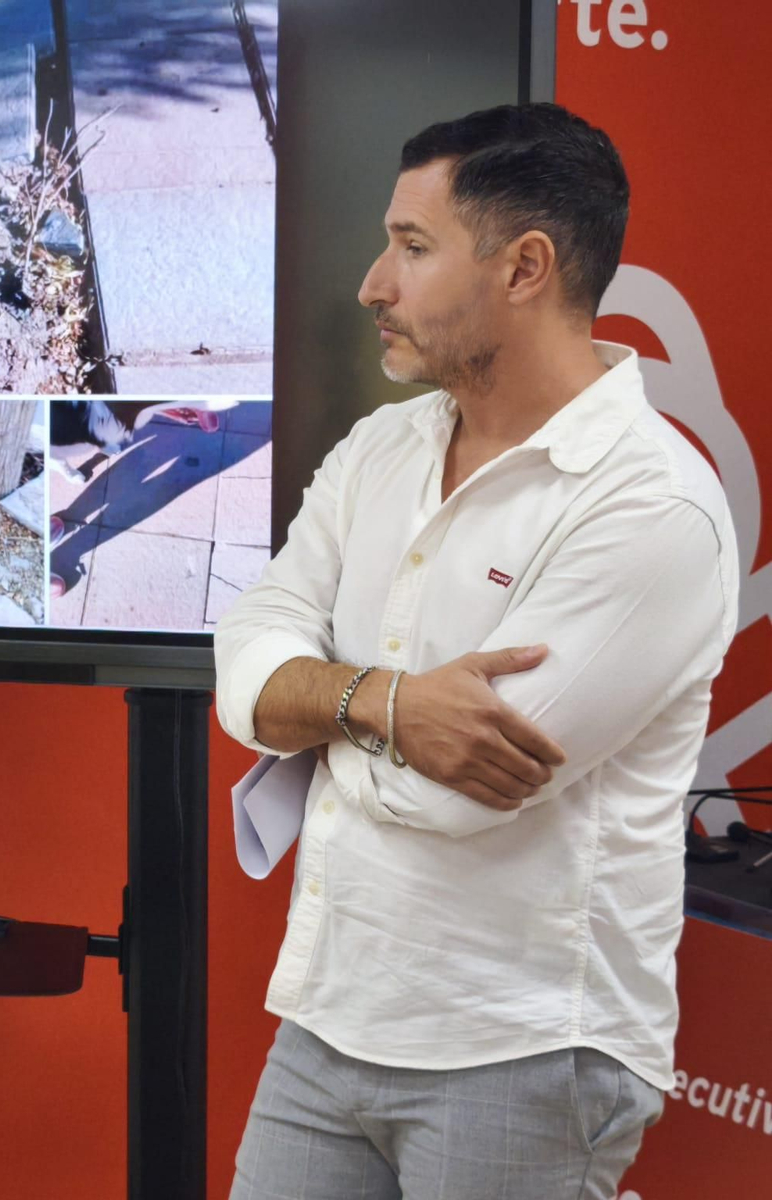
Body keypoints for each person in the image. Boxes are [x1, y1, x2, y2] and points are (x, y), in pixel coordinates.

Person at [215, 103, 737, 1198]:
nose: (372, 283)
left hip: (525, 1049)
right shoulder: (380, 447)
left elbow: (461, 797)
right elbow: (243, 662)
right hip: (328, 1013)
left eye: (412, 247)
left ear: (525, 267)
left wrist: (315, 705)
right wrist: (389, 705)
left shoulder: (650, 504)